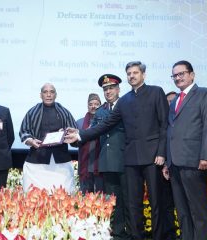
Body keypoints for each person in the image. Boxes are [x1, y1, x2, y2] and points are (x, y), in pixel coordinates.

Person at [65, 61, 169, 239]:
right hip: (130, 160)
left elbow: (164, 124)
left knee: (156, 201)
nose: (132, 76)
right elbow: (105, 125)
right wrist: (81, 135)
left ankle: (160, 236)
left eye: (135, 73)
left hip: (153, 157)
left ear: (143, 74)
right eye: (129, 73)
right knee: (133, 203)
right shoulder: (125, 100)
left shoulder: (156, 91)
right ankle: (137, 236)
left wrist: (161, 152)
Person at [165, 60, 207, 240]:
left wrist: (206, 156)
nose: (178, 78)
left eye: (181, 74)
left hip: (194, 161)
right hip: (174, 163)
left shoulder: (204, 94)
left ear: (192, 74)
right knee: (182, 211)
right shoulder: (174, 100)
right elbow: (170, 131)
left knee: (198, 210)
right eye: (175, 75)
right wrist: (166, 161)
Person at [19, 83, 77, 193]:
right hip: (37, 161)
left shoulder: (64, 112)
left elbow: (74, 131)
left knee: (62, 197)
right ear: (40, 95)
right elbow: (23, 131)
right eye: (45, 92)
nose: (48, 95)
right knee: (35, 197)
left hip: (61, 163)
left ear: (56, 95)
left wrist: (67, 134)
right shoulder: (32, 112)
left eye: (51, 92)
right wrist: (31, 141)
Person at [93, 74, 131, 239]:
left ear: (118, 89)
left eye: (111, 88)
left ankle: (130, 231)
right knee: (112, 201)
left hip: (125, 160)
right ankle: (116, 232)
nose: (108, 92)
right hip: (107, 161)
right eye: (105, 89)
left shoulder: (127, 106)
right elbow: (93, 132)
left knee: (128, 199)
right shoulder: (100, 111)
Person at [76, 93, 103, 193]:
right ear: (87, 106)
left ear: (100, 105)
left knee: (101, 199)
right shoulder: (79, 122)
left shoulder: (106, 121)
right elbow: (75, 144)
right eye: (91, 104)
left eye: (96, 104)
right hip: (85, 167)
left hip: (100, 166)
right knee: (85, 200)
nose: (93, 106)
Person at [161, 91, 178, 240]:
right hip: (164, 169)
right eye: (168, 101)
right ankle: (169, 235)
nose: (170, 104)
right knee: (166, 205)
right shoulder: (162, 120)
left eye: (173, 100)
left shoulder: (181, 119)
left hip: (182, 166)